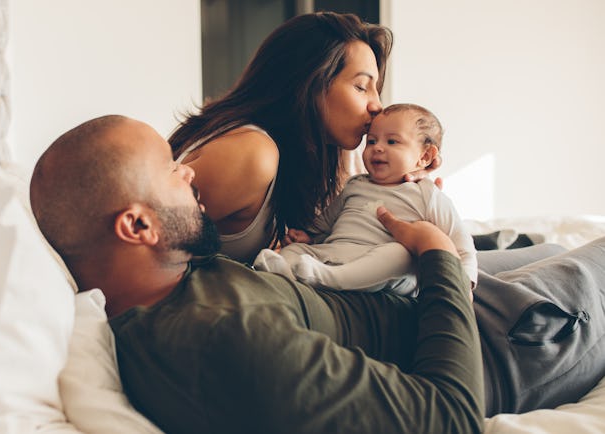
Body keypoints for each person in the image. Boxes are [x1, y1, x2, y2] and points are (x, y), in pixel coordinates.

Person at [30, 115, 605, 434]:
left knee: (557, 243)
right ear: (137, 226)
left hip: (418, 297)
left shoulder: (172, 277)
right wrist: (435, 255)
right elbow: (449, 417)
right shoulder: (223, 342)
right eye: (171, 170)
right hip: (497, 345)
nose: (190, 174)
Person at [168, 11, 443, 264]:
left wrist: (403, 193)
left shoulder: (309, 156)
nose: (377, 106)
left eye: (376, 90)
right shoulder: (251, 153)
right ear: (309, 83)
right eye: (361, 86)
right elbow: (143, 246)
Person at [254, 104, 477, 294]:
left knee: (401, 254)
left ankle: (329, 279)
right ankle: (283, 271)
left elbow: (460, 241)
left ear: (425, 156)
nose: (377, 148)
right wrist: (306, 236)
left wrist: (464, 284)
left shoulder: (427, 194)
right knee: (296, 252)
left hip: (382, 270)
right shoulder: (355, 184)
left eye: (392, 142)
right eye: (371, 141)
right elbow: (325, 223)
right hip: (335, 254)